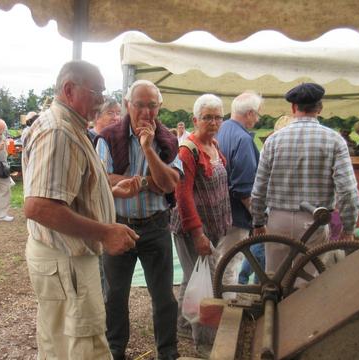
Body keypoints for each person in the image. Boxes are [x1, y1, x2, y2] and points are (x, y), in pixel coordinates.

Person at [23, 60, 138, 360]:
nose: (101, 100)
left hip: (64, 261)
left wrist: (108, 193)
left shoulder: (67, 126)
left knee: (59, 342)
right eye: (96, 91)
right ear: (69, 90)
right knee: (81, 347)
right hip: (66, 261)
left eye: (103, 92)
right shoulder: (60, 132)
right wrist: (104, 232)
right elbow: (38, 206)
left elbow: (64, 191)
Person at [97, 79, 182, 360]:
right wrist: (148, 181)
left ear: (159, 107)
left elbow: (170, 184)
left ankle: (167, 352)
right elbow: (104, 179)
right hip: (119, 224)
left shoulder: (167, 139)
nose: (146, 112)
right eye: (140, 105)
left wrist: (147, 148)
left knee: (164, 297)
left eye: (152, 105)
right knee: (115, 295)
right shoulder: (108, 137)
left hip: (156, 225)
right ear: (127, 105)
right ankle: (115, 349)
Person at [252, 83, 359, 275]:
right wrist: (348, 228)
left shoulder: (273, 141)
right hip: (313, 222)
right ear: (319, 108)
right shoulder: (335, 140)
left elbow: (259, 187)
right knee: (309, 284)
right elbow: (348, 191)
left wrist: (258, 222)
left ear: (294, 108)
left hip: (278, 221)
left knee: (273, 281)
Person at [170, 94, 231, 355]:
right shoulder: (187, 150)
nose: (214, 122)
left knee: (193, 275)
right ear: (196, 120)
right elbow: (181, 196)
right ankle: (205, 344)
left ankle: (183, 324)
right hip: (193, 229)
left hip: (212, 227)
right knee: (206, 281)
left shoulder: (214, 145)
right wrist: (197, 234)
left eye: (218, 117)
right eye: (208, 117)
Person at [215, 92, 262, 293]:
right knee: (230, 265)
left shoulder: (221, 129)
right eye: (257, 114)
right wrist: (259, 219)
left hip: (218, 210)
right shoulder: (243, 139)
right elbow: (244, 189)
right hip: (235, 215)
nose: (258, 119)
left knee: (218, 261)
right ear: (250, 113)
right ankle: (225, 311)